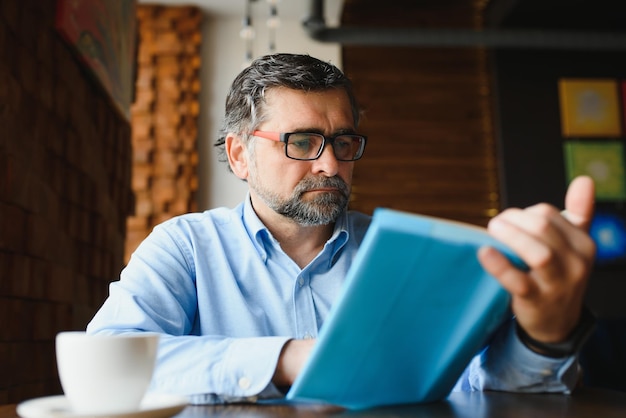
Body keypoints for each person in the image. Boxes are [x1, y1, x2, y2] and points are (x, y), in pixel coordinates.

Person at [87, 53, 597, 404]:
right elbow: (106, 361)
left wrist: (546, 337)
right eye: (303, 142)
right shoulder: (186, 245)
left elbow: (478, 384)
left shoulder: (407, 254)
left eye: (344, 142)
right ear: (240, 155)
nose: (331, 164)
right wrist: (290, 360)